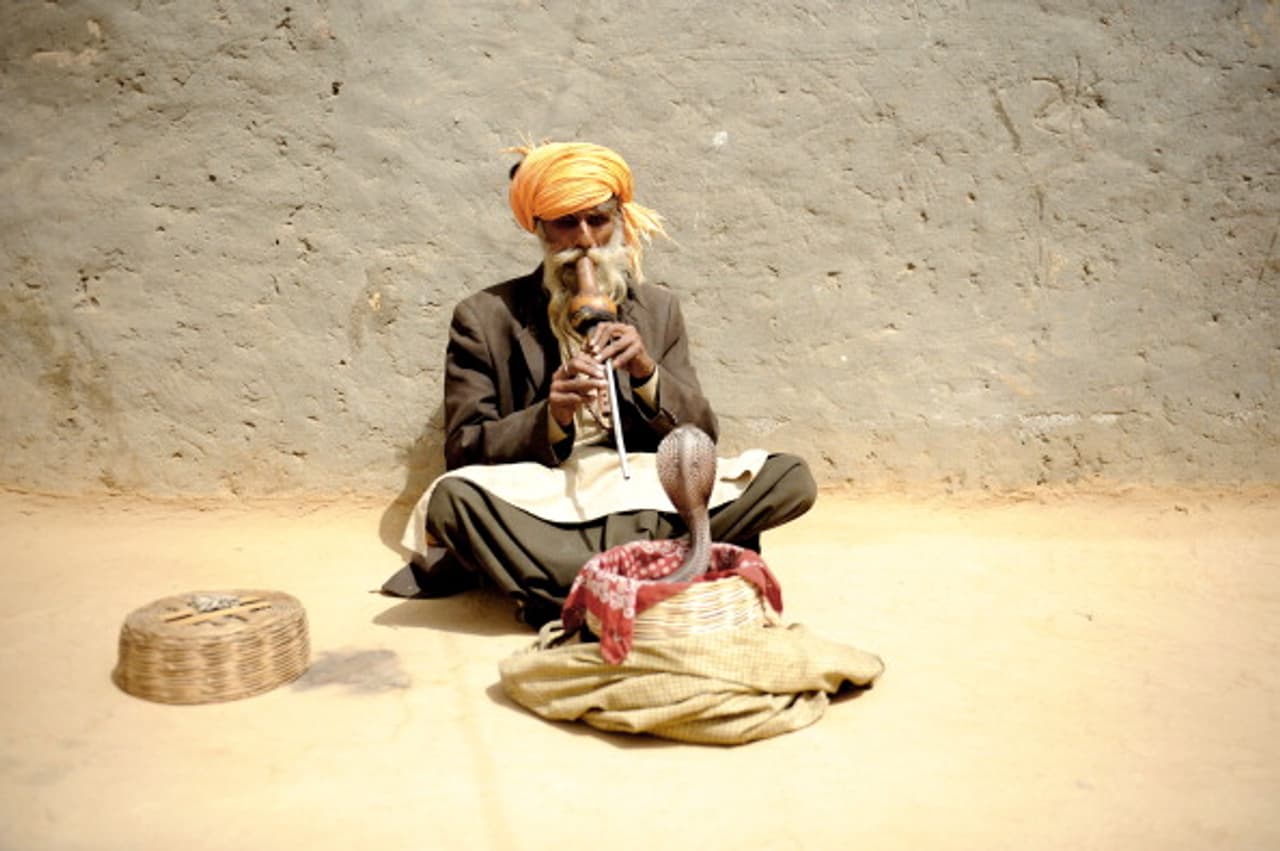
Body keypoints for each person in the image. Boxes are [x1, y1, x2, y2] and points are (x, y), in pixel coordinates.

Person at [384, 141, 817, 627]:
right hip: (545, 494)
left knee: (789, 476)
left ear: (618, 222)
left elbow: (702, 432)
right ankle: (661, 568)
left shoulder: (657, 309)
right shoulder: (484, 316)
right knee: (451, 500)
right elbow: (464, 449)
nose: (584, 241)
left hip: (646, 489)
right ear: (539, 227)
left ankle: (574, 585)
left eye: (597, 220)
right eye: (566, 223)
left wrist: (647, 374)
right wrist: (552, 416)